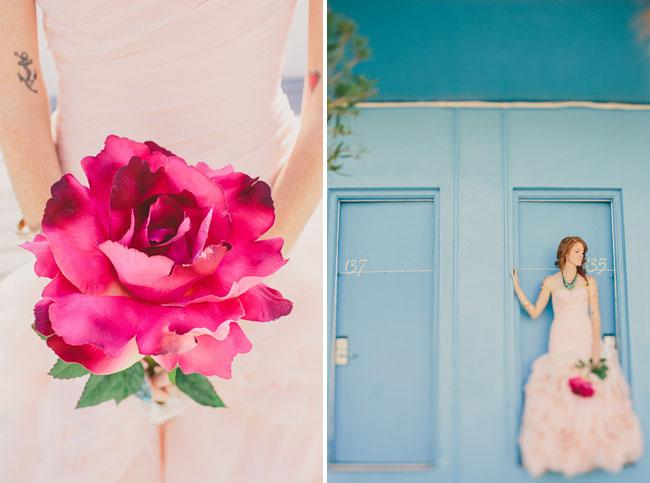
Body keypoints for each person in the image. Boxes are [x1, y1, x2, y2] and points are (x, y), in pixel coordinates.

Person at [0, 1, 323, 482]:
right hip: (87, 262)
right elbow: (15, 94)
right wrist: (72, 270)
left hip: (262, 245)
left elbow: (331, 93)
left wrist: (241, 279)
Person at [512, 236, 643, 478]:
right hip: (560, 338)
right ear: (565, 253)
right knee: (560, 388)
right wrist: (518, 288)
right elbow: (534, 312)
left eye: (583, 252)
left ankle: (591, 447)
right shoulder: (551, 282)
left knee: (590, 386)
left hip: (583, 337)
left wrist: (595, 350)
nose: (581, 256)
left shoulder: (588, 282)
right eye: (577, 251)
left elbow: (595, 316)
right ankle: (563, 447)